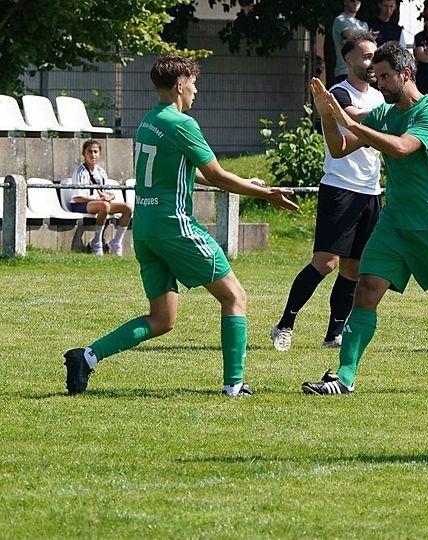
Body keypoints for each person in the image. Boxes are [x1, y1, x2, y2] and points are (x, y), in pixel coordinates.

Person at [62, 55, 299, 397]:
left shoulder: (149, 121)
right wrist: (265, 193)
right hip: (174, 225)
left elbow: (189, 169)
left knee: (162, 319)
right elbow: (217, 174)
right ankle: (234, 385)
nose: (196, 91)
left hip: (145, 228)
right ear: (179, 85)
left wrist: (245, 181)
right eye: (193, 83)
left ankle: (86, 356)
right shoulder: (182, 124)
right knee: (234, 296)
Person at [306, 42, 428, 395]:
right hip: (394, 223)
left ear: (405, 74)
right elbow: (339, 147)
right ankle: (343, 377)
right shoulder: (383, 113)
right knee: (365, 290)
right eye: (376, 77)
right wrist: (327, 116)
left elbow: (400, 147)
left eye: (384, 77)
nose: (379, 83)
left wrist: (348, 119)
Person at [271, 32, 384, 353]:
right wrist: (382, 124)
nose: (371, 63)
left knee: (353, 268)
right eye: (365, 57)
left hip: (371, 192)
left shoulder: (378, 97)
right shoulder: (337, 93)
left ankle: (334, 334)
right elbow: (347, 119)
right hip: (340, 188)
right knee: (326, 262)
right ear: (348, 60)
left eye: (374, 57)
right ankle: (285, 324)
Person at [67, 139, 132, 256]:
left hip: (100, 204)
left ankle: (116, 241)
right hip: (81, 204)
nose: (93, 155)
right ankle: (97, 241)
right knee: (104, 206)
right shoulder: (80, 171)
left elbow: (110, 192)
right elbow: (78, 197)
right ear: (84, 153)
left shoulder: (101, 172)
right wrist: (100, 200)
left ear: (99, 154)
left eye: (95, 152)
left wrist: (108, 196)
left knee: (127, 208)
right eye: (89, 152)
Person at [332, 0, 368, 83]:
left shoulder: (362, 24)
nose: (355, 3)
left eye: (358, 0)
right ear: (345, 2)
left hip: (361, 72)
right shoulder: (340, 20)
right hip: (345, 71)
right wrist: (365, 37)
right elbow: (352, 38)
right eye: (352, 0)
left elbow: (366, 43)